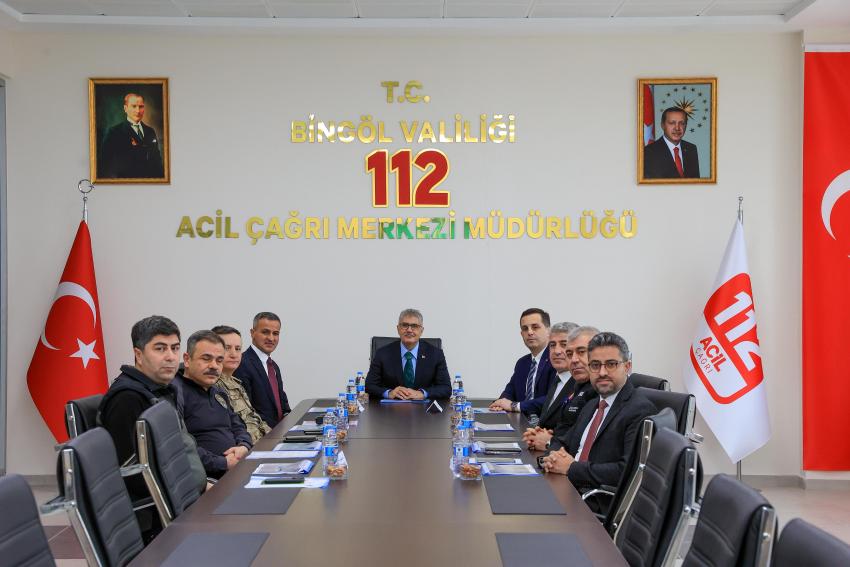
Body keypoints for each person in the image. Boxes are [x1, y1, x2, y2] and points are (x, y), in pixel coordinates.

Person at [97, 315, 207, 537]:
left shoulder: (161, 389)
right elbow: (132, 474)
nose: (170, 357)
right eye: (160, 348)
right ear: (139, 354)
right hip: (159, 515)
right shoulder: (127, 399)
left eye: (175, 348)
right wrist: (190, 492)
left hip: (185, 495)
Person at [541, 332, 656, 492]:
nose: (602, 373)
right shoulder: (592, 404)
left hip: (592, 498)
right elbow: (563, 441)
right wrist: (552, 456)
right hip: (566, 485)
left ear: (627, 367)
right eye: (595, 365)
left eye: (611, 364)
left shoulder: (639, 410)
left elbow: (627, 471)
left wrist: (571, 468)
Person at [176, 330, 252, 479]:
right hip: (209, 479)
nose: (214, 366)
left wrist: (244, 446)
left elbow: (238, 425)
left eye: (219, 360)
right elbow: (180, 446)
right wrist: (223, 463)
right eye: (206, 359)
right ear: (187, 359)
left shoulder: (218, 391)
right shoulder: (175, 393)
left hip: (237, 469)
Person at [523, 325, 599, 451]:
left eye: (581, 352)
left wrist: (549, 442)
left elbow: (583, 441)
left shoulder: (598, 390)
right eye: (569, 353)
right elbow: (566, 426)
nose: (574, 359)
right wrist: (541, 435)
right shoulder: (576, 383)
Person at [365, 308, 451, 400]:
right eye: (405, 325)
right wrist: (389, 393)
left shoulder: (435, 354)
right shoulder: (382, 353)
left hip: (425, 408)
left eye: (414, 326)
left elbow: (446, 388)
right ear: (398, 329)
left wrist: (422, 393)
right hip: (391, 407)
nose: (409, 330)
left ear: (421, 330)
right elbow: (370, 385)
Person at [489, 308, 557, 415]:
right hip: (521, 421)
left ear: (549, 331)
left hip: (544, 423)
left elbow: (553, 399)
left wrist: (515, 406)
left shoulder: (557, 360)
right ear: (521, 334)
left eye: (535, 327)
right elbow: (510, 391)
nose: (529, 332)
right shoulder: (522, 363)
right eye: (525, 329)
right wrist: (500, 403)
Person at [212, 325, 271, 444]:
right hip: (247, 448)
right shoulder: (213, 386)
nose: (234, 354)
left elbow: (253, 419)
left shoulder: (236, 383)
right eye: (227, 348)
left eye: (238, 349)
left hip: (263, 443)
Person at [234, 312, 290, 428]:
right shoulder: (242, 364)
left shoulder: (273, 366)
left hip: (280, 432)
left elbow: (283, 406)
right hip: (262, 434)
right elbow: (246, 413)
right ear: (252, 333)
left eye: (275, 333)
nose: (271, 338)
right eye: (265, 332)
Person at [99, 92, 164, 179]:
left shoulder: (150, 131)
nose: (138, 111)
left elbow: (157, 163)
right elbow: (105, 165)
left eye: (141, 106)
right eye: (134, 106)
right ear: (125, 108)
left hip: (150, 183)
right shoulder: (114, 133)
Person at [643, 107, 700, 179]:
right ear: (662, 125)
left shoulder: (691, 149)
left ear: (685, 125)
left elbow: (695, 182)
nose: (677, 128)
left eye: (682, 123)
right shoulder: (648, 152)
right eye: (672, 123)